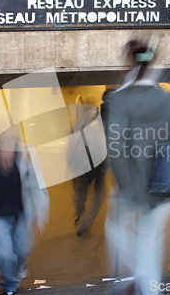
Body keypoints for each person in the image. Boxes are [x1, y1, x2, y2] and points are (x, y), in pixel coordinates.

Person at [104, 38, 170, 295]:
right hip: (166, 187)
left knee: (114, 226)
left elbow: (115, 150)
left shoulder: (119, 100)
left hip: (134, 188)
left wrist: (131, 190)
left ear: (128, 61)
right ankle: (147, 286)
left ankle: (138, 277)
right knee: (150, 241)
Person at [0, 128, 49, 295]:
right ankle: (10, 284)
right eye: (3, 143)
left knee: (22, 249)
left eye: (11, 142)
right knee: (5, 254)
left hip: (21, 212)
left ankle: (20, 265)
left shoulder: (26, 159)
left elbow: (37, 188)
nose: (7, 149)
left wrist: (39, 217)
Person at [71, 96, 108, 236]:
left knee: (81, 192)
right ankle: (83, 221)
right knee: (98, 194)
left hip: (82, 166)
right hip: (95, 165)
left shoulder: (76, 125)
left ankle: (80, 217)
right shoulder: (97, 123)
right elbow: (102, 143)